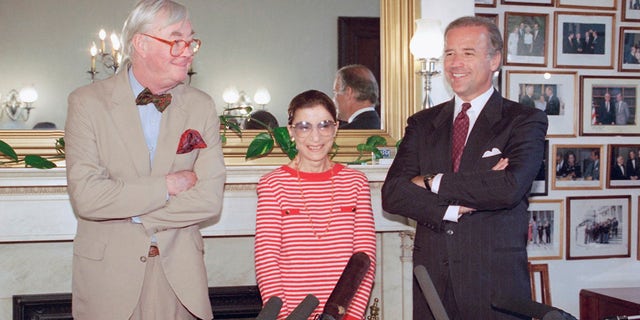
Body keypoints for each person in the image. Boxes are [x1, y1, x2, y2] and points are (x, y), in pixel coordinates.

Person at [65, 1, 226, 319]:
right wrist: (168, 185)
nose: (188, 50)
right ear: (141, 43)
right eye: (176, 39)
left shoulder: (201, 106)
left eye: (192, 40)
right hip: (108, 283)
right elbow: (88, 198)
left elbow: (209, 199)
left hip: (181, 282)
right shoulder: (86, 104)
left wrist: (137, 217)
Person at [381, 16, 548, 319]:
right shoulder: (422, 123)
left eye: (468, 53)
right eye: (449, 53)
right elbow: (392, 194)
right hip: (432, 285)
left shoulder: (523, 120)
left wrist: (432, 181)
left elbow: (509, 188)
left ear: (494, 59)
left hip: (495, 288)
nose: (455, 63)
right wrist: (452, 209)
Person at [254, 90, 376, 319]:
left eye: (324, 125)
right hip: (292, 314)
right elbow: (267, 259)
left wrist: (350, 316)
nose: (315, 137)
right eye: (304, 126)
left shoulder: (355, 182)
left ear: (335, 128)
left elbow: (364, 259)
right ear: (291, 131)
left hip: (342, 314)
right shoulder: (272, 185)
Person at [333, 64, 381, 129]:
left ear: (348, 92)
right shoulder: (389, 130)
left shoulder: (343, 135)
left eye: (336, 92)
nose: (333, 99)